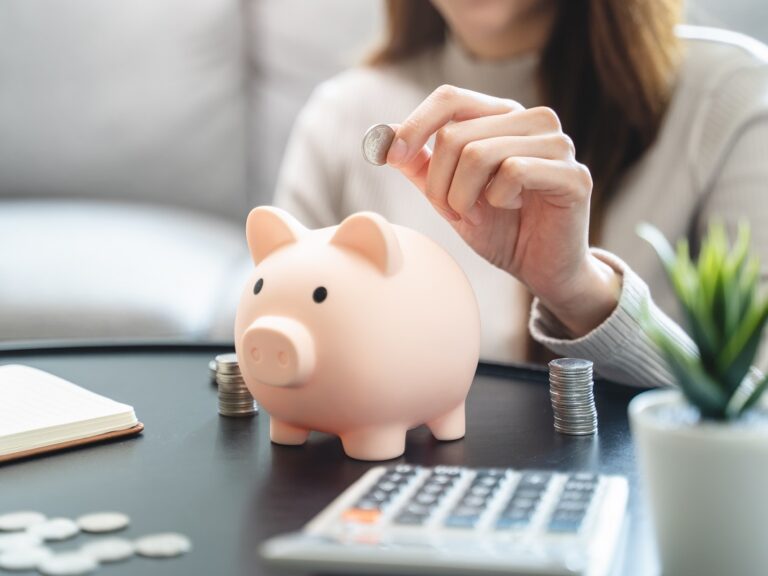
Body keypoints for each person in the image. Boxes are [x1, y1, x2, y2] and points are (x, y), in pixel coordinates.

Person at [274, 0, 768, 387]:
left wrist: (579, 290)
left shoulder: (731, 96)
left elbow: (753, 415)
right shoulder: (340, 115)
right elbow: (266, 352)